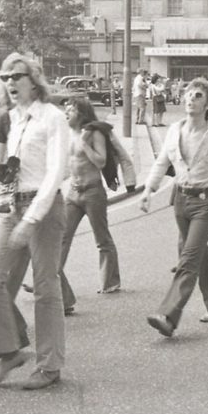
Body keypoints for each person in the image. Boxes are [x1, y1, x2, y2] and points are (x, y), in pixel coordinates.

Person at [0, 54, 69, 390]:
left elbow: (55, 172)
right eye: (5, 77)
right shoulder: (12, 119)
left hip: (42, 209)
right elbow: (2, 168)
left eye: (16, 76)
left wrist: (31, 219)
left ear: (34, 79)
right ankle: (8, 352)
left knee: (45, 287)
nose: (10, 83)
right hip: (11, 207)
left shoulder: (52, 117)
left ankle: (49, 365)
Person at [141, 78, 208, 337]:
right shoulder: (174, 130)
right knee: (199, 255)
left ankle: (169, 315)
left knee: (189, 257)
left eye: (197, 96)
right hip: (180, 200)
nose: (190, 99)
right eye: (188, 95)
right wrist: (149, 190)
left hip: (205, 203)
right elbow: (162, 162)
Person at [58, 98, 121, 309]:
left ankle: (110, 281)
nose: (66, 112)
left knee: (102, 239)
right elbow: (68, 166)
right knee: (62, 237)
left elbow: (101, 161)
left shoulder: (94, 133)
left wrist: (85, 144)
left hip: (93, 192)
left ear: (82, 113)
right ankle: (53, 278)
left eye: (71, 109)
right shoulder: (69, 134)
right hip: (73, 193)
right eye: (65, 109)